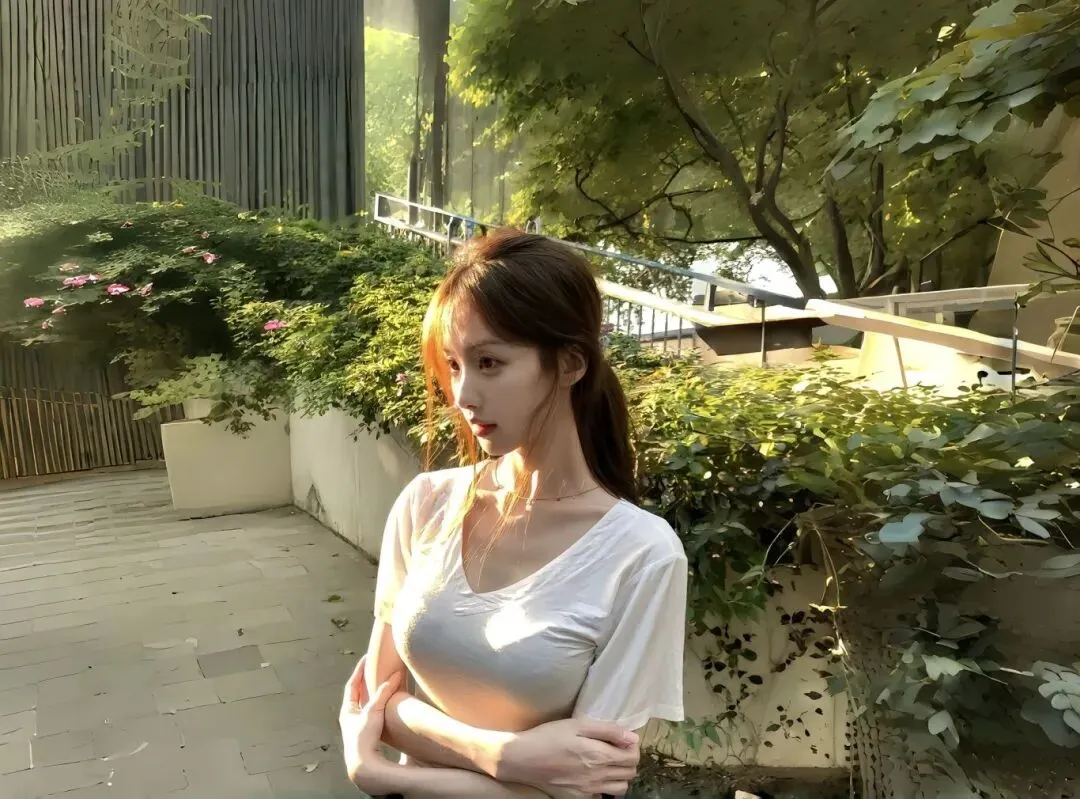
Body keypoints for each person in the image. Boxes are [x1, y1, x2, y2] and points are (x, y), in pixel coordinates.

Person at [340, 229, 689, 798]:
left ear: (570, 363)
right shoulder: (426, 503)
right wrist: (505, 757)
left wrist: (380, 773)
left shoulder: (641, 554)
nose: (462, 395)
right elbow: (376, 699)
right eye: (454, 365)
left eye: (489, 362)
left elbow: (585, 784)